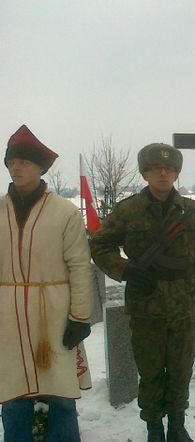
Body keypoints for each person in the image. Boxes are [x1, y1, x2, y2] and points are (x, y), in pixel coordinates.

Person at [90, 143, 195, 442]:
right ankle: (154, 427)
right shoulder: (129, 210)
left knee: (181, 368)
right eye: (155, 169)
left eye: (169, 169)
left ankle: (177, 424)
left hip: (185, 302)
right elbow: (99, 245)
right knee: (150, 369)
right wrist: (125, 270)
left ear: (176, 173)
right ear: (144, 173)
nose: (162, 173)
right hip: (146, 304)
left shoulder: (191, 210)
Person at [0, 124, 93, 441]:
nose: (16, 167)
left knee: (60, 395)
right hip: (8, 316)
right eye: (12, 161)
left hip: (54, 314)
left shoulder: (64, 212)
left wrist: (79, 317)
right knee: (12, 396)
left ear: (40, 167)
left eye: (24, 161)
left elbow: (80, 266)